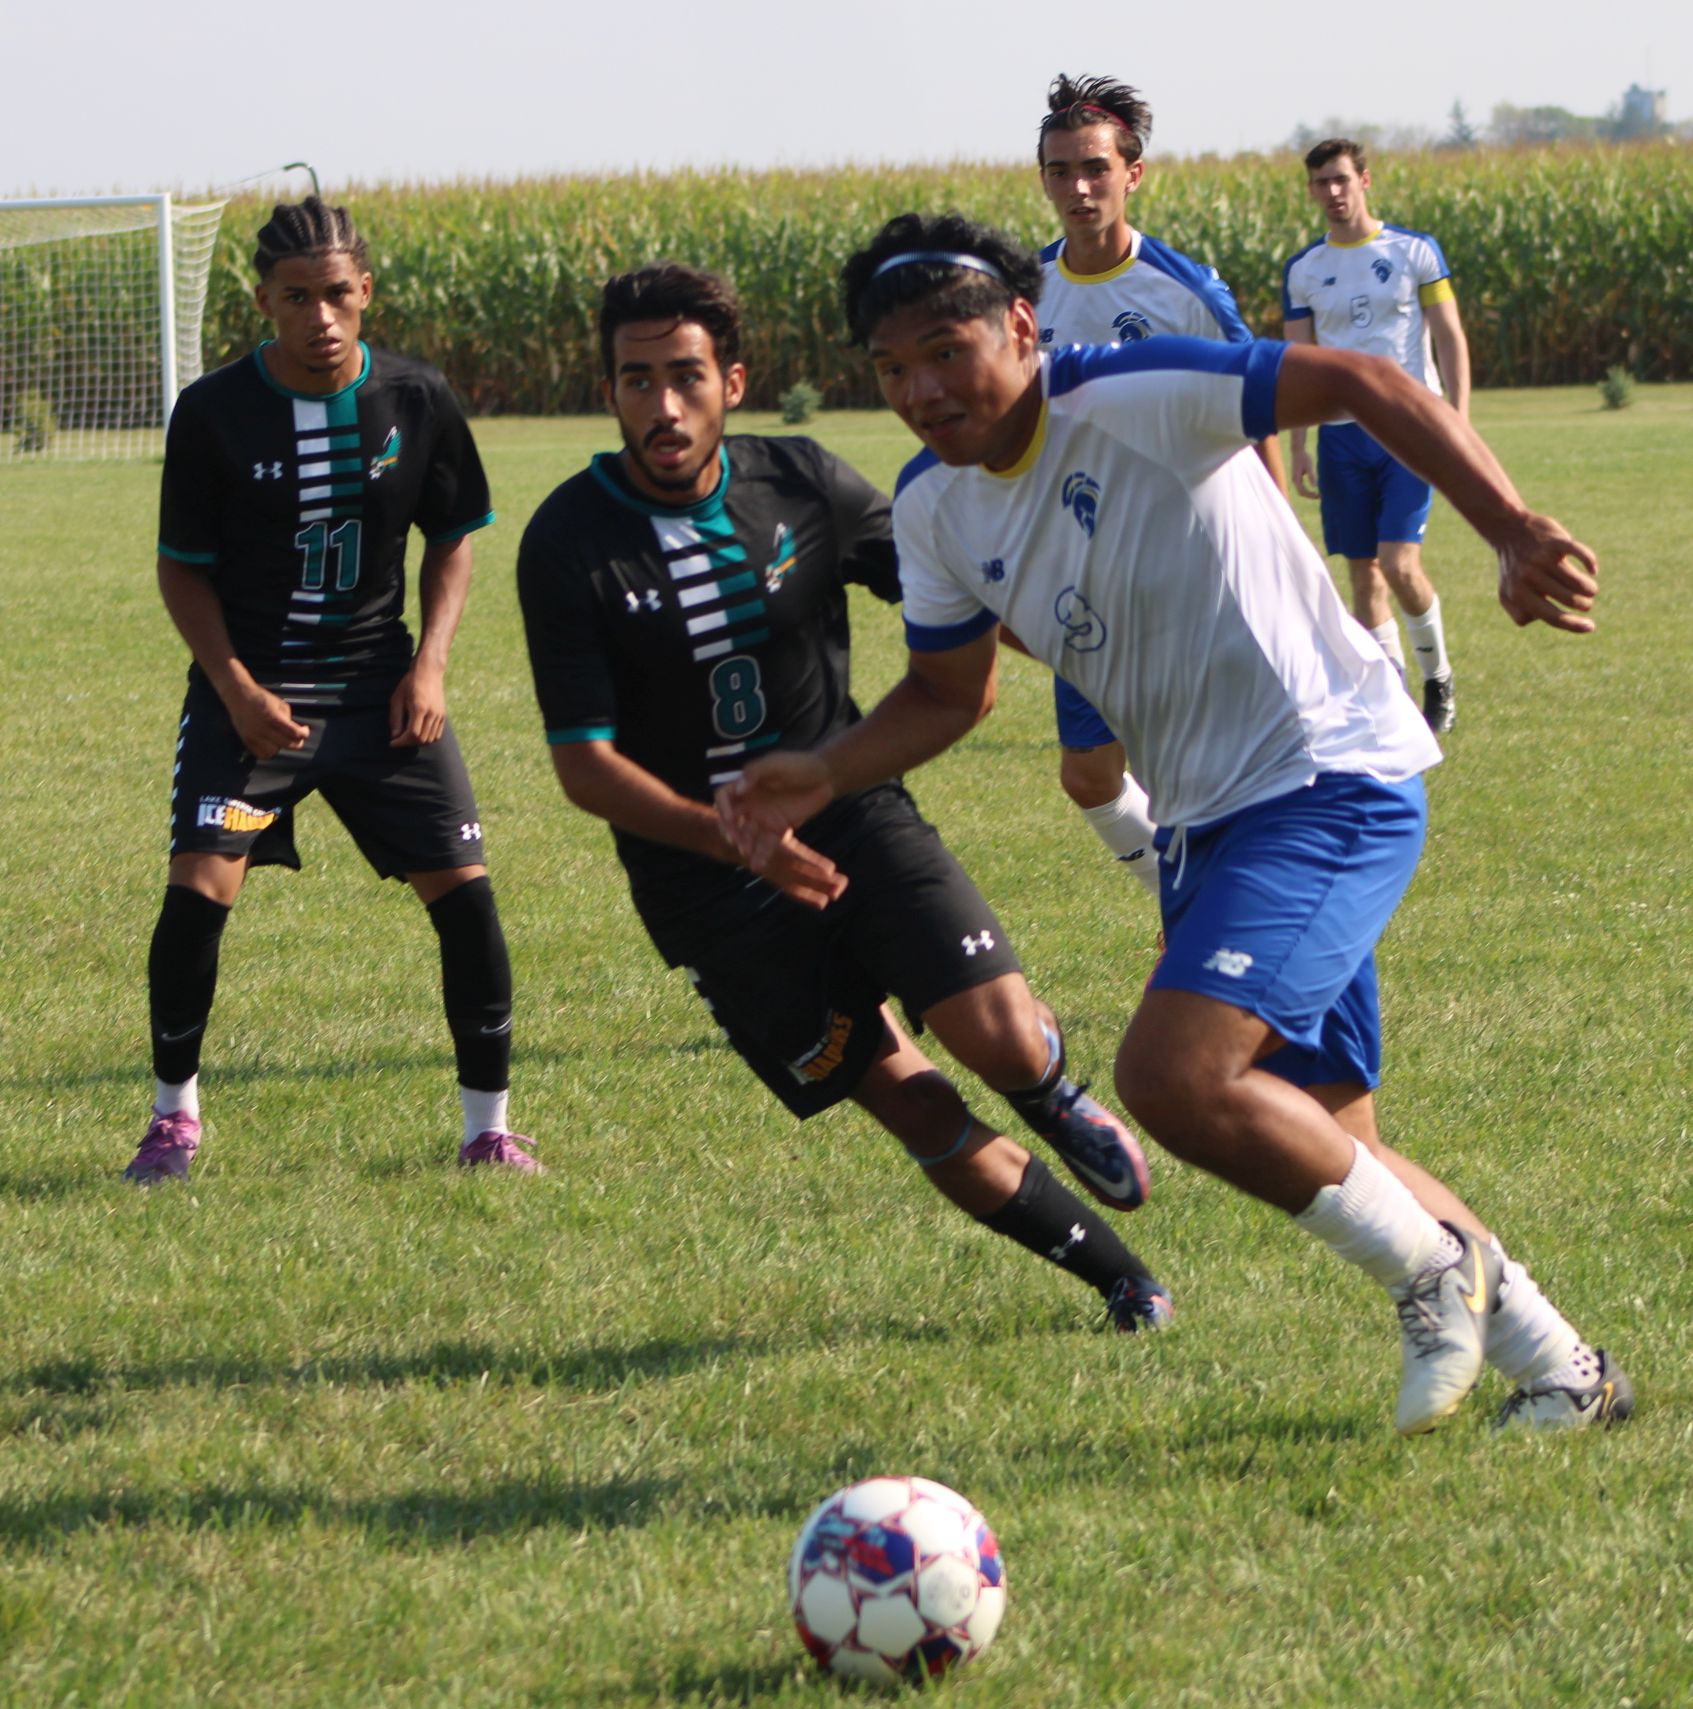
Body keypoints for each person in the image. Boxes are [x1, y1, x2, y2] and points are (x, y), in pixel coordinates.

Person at [720, 212, 1632, 1434]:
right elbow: (949, 691)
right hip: (1205, 824)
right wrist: (817, 774)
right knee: (1328, 1135)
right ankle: (1569, 1371)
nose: (923, 390)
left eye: (948, 350)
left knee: (1170, 1073)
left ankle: (1431, 1277)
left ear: (1022, 327)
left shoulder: (1136, 392)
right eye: (892, 370)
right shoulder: (936, 508)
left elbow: (1359, 381)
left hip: (1327, 773)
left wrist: (1511, 530)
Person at [515, 262, 1173, 1331]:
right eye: (637, 381)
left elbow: (956, 593)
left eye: (686, 377)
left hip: (855, 812)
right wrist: (731, 840)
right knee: (914, 1101)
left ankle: (1052, 1095)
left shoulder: (803, 483)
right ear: (611, 392)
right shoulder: (568, 540)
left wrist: (1088, 648)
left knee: (999, 1033)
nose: (663, 406)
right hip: (706, 886)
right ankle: (1120, 1279)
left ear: (732, 381)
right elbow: (584, 764)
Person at [127, 196, 540, 1183]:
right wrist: (232, 689)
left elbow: (455, 535)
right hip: (252, 700)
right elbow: (182, 566)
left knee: (466, 895)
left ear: (366, 295)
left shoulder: (415, 397)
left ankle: (488, 1130)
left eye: (339, 295)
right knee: (200, 887)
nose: (321, 317)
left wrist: (429, 664)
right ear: (264, 300)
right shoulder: (216, 412)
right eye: (299, 298)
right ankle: (172, 1120)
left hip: (382, 694)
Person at [1036, 74, 1289, 892]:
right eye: (1059, 169)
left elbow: (1258, 412)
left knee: (1196, 766)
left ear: (1132, 173)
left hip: (1185, 563)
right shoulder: (1018, 294)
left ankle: (1208, 914)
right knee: (1089, 777)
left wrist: (1275, 549)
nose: (1078, 187)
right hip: (1080, 570)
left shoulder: (1184, 292)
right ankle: (1179, 890)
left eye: (1095, 168)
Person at [1283, 138, 1470, 734]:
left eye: (1341, 179)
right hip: (1342, 439)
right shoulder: (1304, 271)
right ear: (1311, 190)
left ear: (1365, 180)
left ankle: (1437, 678)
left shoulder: (1415, 251)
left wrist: (1456, 421)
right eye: (1321, 183)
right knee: (1363, 576)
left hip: (1411, 428)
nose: (1332, 193)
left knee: (1399, 564)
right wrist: (1298, 442)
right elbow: (1299, 359)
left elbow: (1449, 337)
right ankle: (1393, 704)